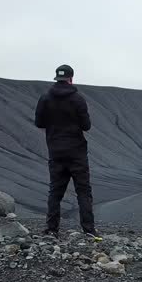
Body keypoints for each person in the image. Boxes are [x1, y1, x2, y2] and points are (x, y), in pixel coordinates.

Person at [34, 64, 99, 239]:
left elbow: (39, 123)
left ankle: (52, 229)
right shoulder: (78, 99)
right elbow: (86, 126)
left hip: (56, 151)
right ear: (71, 79)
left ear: (57, 78)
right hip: (76, 152)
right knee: (83, 191)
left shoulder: (45, 98)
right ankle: (89, 230)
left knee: (55, 191)